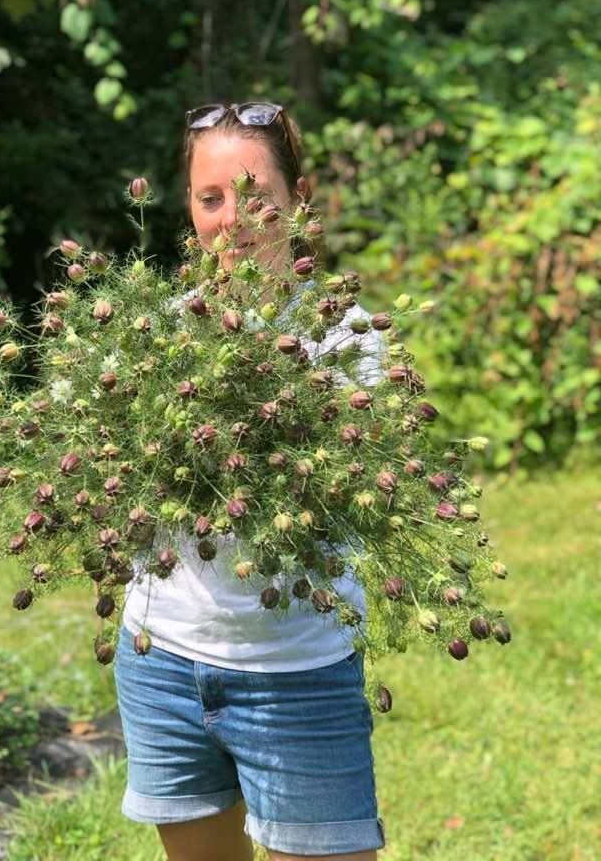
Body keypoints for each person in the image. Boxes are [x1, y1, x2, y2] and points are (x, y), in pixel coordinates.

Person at [114, 102, 386, 861]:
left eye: (256, 192)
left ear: (299, 202)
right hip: (162, 661)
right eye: (212, 198)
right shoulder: (154, 333)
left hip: (297, 672)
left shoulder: (345, 338)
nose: (235, 218)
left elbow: (349, 494)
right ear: (191, 209)